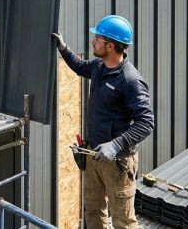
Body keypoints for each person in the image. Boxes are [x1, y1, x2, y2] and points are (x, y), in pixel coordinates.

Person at [52, 15, 154, 228]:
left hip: (117, 162)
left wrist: (115, 144)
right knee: (93, 211)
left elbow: (146, 122)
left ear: (110, 45)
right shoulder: (99, 67)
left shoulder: (130, 80)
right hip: (94, 155)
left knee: (123, 221)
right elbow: (80, 66)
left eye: (97, 39)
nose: (93, 42)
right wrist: (63, 48)